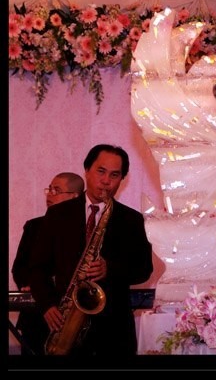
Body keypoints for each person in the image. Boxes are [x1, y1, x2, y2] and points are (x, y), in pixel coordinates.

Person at [30, 144, 153, 356]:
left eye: (114, 175)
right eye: (101, 171)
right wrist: (47, 305)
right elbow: (37, 268)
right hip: (66, 325)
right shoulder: (58, 214)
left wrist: (110, 269)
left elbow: (144, 269)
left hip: (114, 332)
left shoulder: (131, 219)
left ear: (122, 179)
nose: (106, 181)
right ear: (87, 170)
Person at [12, 172, 85, 355]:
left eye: (56, 190)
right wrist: (29, 284)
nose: (49, 195)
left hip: (76, 318)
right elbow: (19, 268)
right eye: (49, 189)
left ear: (75, 197)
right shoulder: (34, 225)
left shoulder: (87, 226)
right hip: (37, 314)